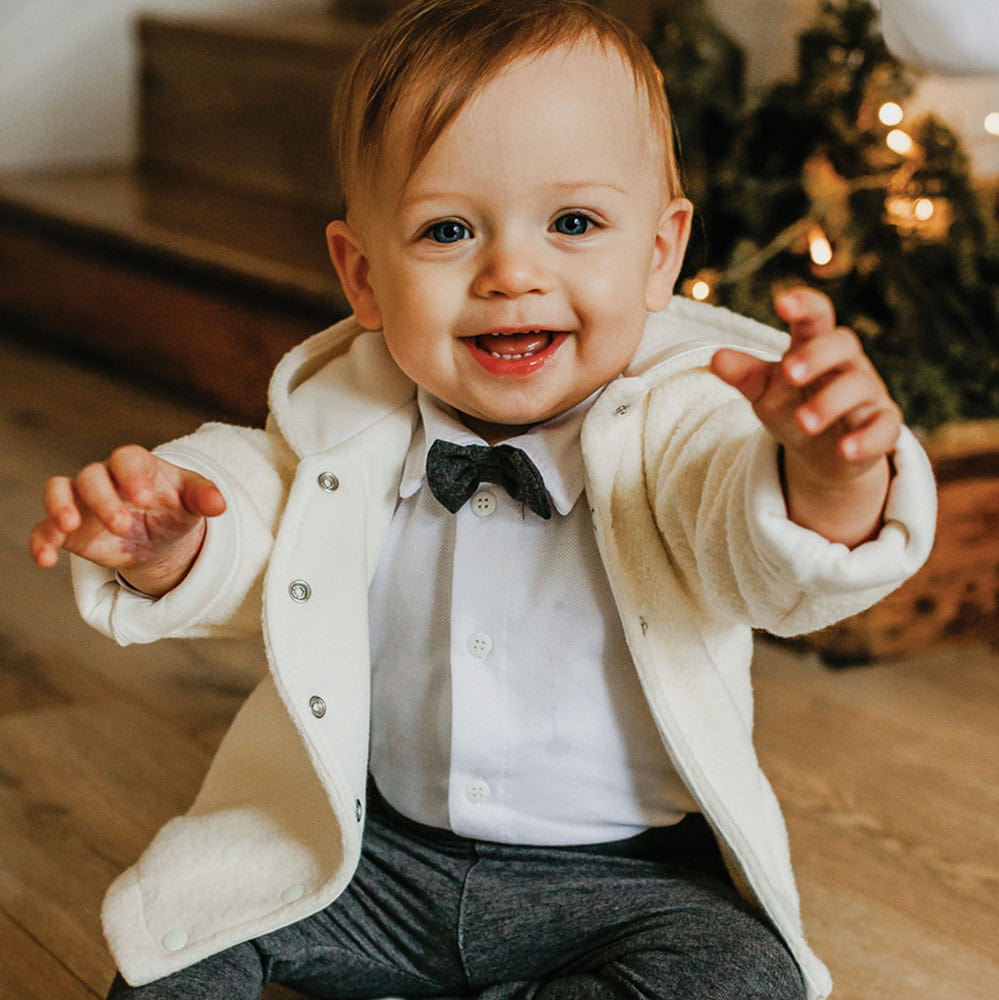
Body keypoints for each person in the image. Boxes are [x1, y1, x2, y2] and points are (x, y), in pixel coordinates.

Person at [28, 1, 937, 998]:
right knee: (179, 942)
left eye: (574, 223)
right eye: (448, 230)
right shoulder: (345, 424)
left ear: (658, 255)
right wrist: (174, 544)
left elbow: (754, 542)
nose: (511, 273)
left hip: (629, 883)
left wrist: (827, 474)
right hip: (373, 858)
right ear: (363, 276)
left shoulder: (688, 423)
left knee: (740, 975)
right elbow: (258, 513)